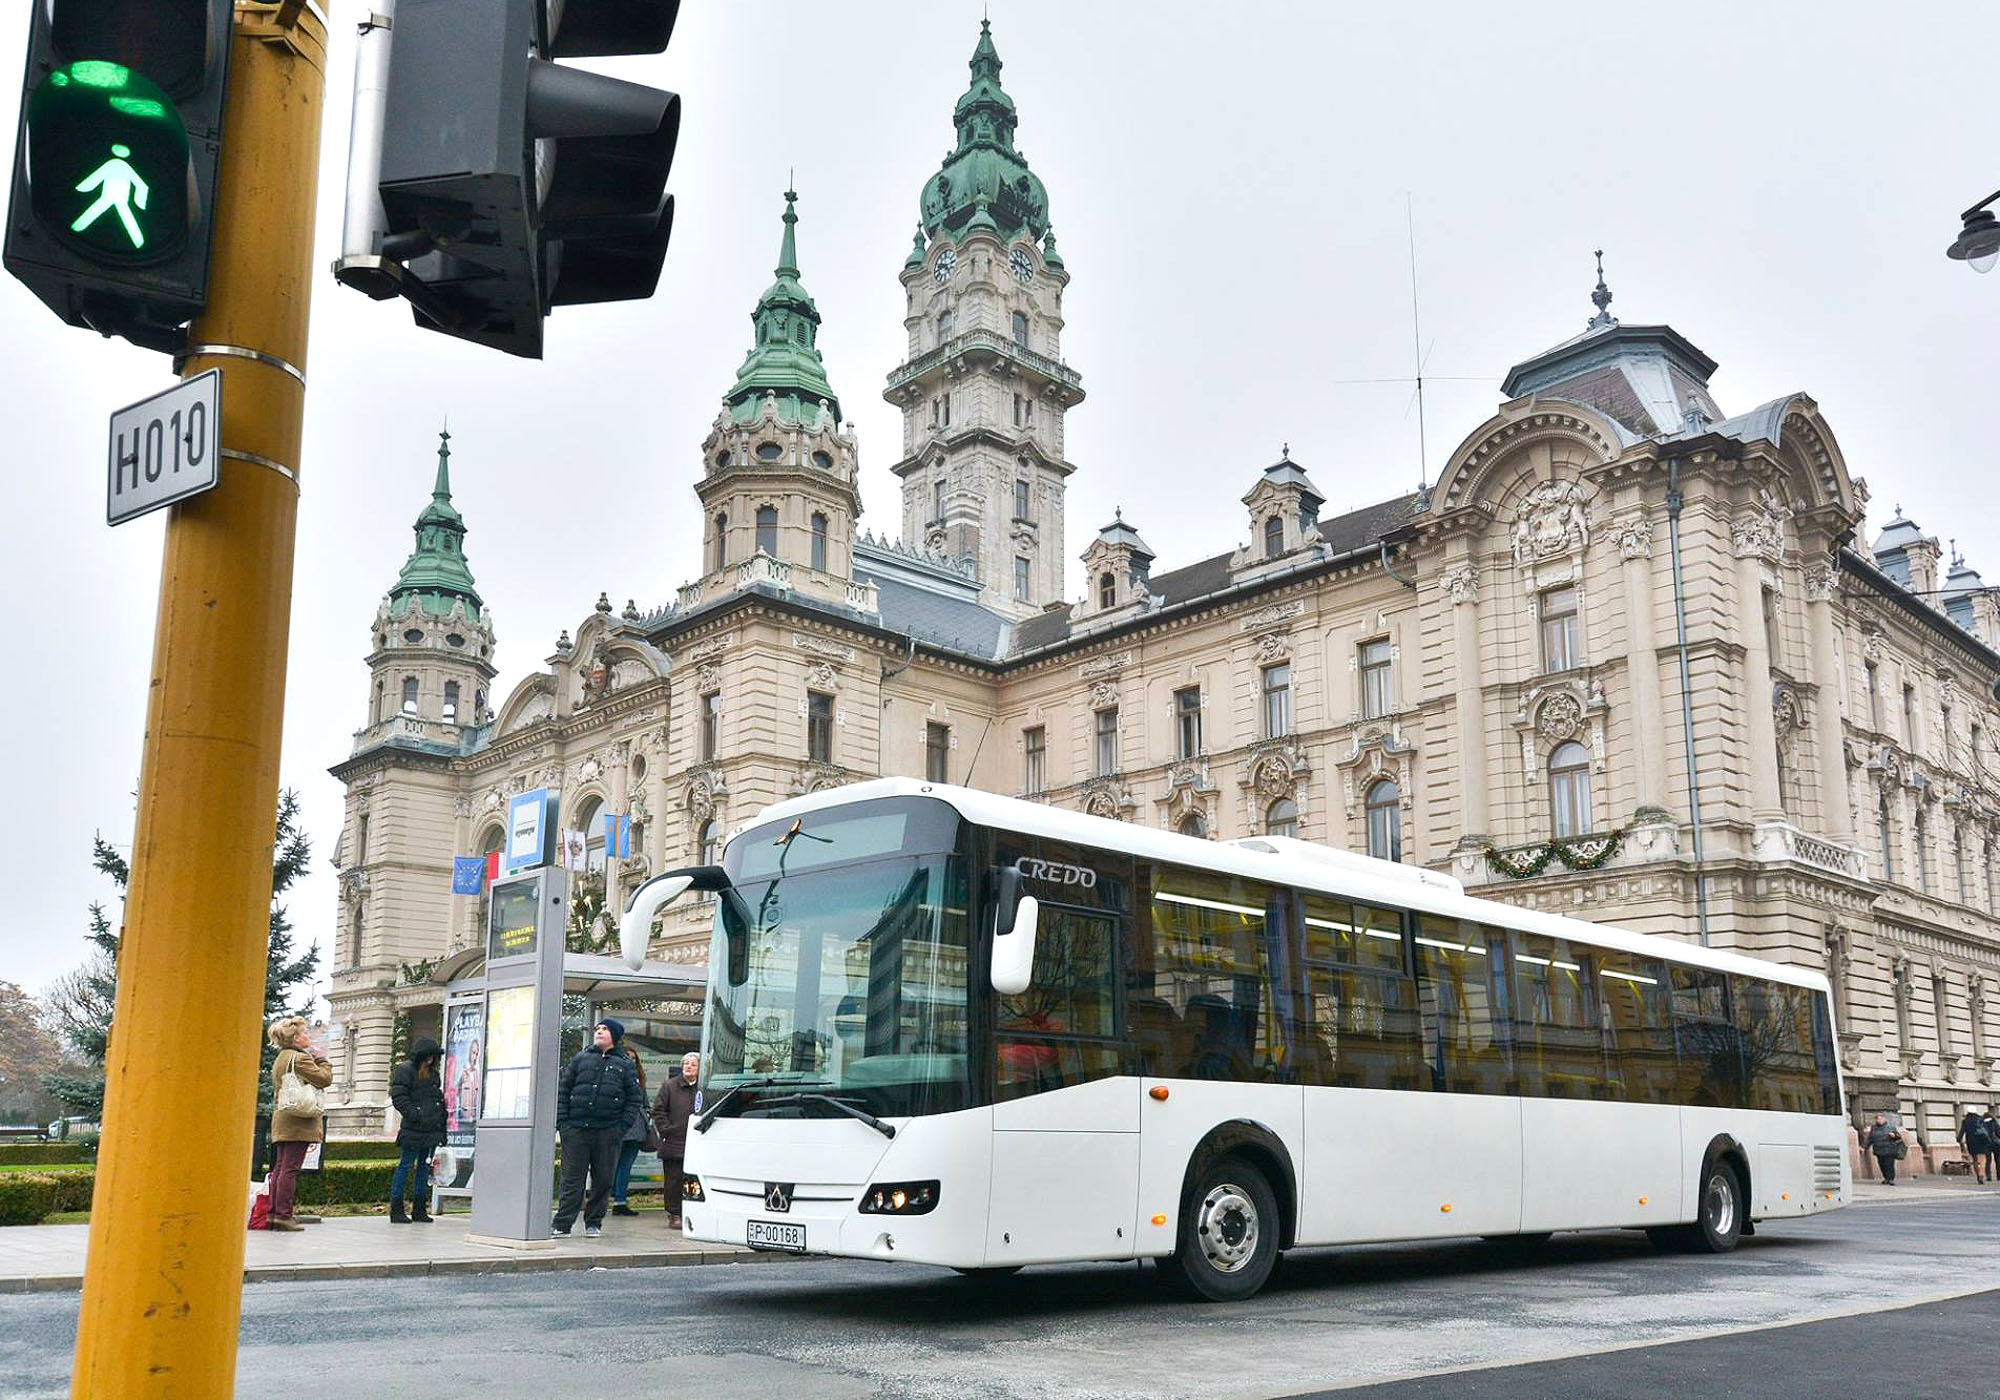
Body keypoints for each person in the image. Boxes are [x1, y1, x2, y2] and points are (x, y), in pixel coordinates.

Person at [553, 1018, 640, 1238]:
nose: (599, 1032)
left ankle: (594, 1222)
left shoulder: (625, 1064)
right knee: (572, 1180)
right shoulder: (581, 1059)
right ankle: (562, 1224)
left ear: (615, 1036)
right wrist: (563, 1124)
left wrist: (620, 1129)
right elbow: (563, 1090)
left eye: (605, 1029)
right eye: (598, 1029)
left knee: (603, 1180)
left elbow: (634, 1099)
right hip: (576, 1130)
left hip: (608, 1133)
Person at [266, 1016, 333, 1232]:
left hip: (283, 1118)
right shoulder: (300, 1058)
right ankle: (284, 1215)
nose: (308, 1036)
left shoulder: (282, 1057)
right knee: (290, 1169)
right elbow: (324, 1079)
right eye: (305, 1033)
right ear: (295, 1038)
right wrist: (321, 1059)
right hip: (298, 1121)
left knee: (280, 1167)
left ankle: (274, 1214)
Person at [388, 1037, 446, 1223]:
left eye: (433, 1057)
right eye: (428, 1056)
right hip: (414, 1128)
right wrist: (416, 1115)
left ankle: (419, 1209)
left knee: (424, 1168)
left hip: (430, 1128)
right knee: (405, 1166)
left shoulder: (433, 1075)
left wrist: (441, 1126)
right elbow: (399, 1097)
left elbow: (437, 1101)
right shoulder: (405, 1070)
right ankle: (397, 1209)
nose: (430, 1060)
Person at [652, 1052, 699, 1228]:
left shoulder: (703, 1088)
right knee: (674, 1179)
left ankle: (691, 1212)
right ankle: (674, 1214)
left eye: (693, 1064)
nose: (688, 1067)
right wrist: (667, 1130)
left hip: (696, 1142)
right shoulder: (669, 1086)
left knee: (693, 1180)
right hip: (674, 1141)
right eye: (686, 1063)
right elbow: (658, 1111)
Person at [610, 1044, 650, 1217]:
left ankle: (620, 1201)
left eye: (634, 1058)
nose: (631, 1061)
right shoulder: (614, 1076)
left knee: (625, 1165)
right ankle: (615, 1198)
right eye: (628, 1057)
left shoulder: (639, 1079)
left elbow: (645, 1102)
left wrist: (647, 1115)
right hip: (619, 1127)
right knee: (614, 1165)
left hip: (636, 1128)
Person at [1862, 1113, 1906, 1185]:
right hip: (1879, 1150)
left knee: (1889, 1165)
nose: (1879, 1120)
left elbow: (1898, 1137)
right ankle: (1886, 1178)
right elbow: (1870, 1139)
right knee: (1882, 1165)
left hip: (1889, 1149)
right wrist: (1864, 1147)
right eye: (1877, 1119)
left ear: (1884, 1119)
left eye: (1881, 1118)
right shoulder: (1874, 1128)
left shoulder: (1891, 1127)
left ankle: (1891, 1178)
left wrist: (1894, 1135)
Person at [1958, 1107, 1996, 1185]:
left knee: (1974, 1159)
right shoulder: (1980, 1119)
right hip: (1981, 1141)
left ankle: (1978, 1176)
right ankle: (1981, 1175)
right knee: (1983, 1159)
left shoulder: (1965, 1121)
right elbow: (1985, 1130)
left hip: (1971, 1142)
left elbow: (1961, 1132)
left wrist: (1959, 1139)